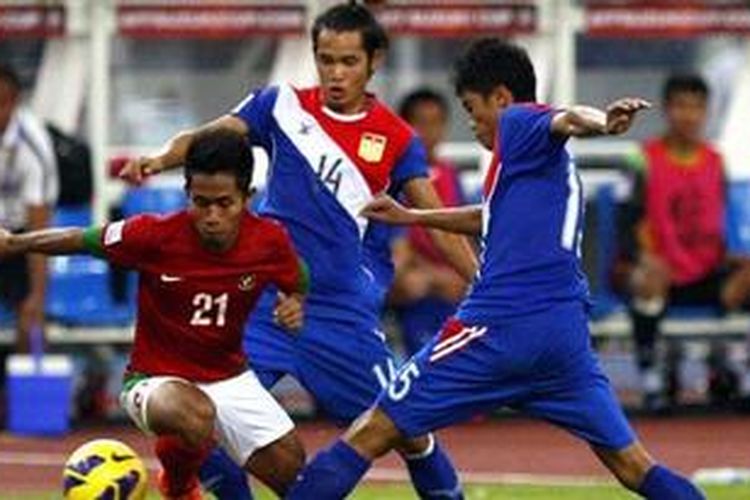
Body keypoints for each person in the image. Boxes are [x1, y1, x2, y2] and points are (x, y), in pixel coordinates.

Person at [284, 38, 706, 500]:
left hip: (501, 326)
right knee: (632, 465)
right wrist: (413, 217)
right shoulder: (541, 168)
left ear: (501, 99)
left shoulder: (520, 123)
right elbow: (490, 217)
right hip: (563, 338)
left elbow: (566, 118)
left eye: (471, 107)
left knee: (375, 428)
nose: (471, 121)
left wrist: (604, 123)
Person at [119, 3, 477, 499]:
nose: (335, 73)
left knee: (408, 431)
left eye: (348, 61)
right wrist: (159, 158)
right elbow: (212, 135)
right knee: (200, 416)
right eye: (325, 59)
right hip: (266, 305)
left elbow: (437, 222)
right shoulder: (280, 106)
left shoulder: (396, 138)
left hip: (342, 315)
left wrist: (483, 288)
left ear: (375, 61)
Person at [0, 130, 310, 499]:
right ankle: (178, 487)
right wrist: (15, 243)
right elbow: (81, 238)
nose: (211, 216)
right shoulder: (155, 235)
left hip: (230, 378)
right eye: (200, 202)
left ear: (247, 197)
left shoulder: (269, 241)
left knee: (295, 478)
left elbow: (296, 275)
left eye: (224, 204)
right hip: (154, 380)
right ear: (187, 194)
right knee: (195, 414)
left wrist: (294, 300)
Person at [617, 74, 750, 410]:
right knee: (648, 277)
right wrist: (643, 257)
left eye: (696, 107)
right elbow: (625, 223)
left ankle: (736, 367)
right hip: (658, 272)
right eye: (681, 106)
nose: (688, 115)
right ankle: (650, 377)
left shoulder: (716, 161)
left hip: (706, 271)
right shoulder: (641, 159)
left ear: (706, 112)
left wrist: (734, 257)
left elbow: (724, 222)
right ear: (667, 110)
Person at [0, 63, 58, 423]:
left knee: (29, 319)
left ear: (15, 101)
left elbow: (40, 228)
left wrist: (36, 297)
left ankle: (24, 413)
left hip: (22, 239)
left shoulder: (32, 145)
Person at [391, 88, 468, 356]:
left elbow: (464, 233)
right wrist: (435, 276)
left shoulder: (450, 174)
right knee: (412, 287)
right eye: (420, 123)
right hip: (413, 281)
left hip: (448, 281)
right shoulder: (393, 178)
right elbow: (395, 239)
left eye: (435, 123)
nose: (428, 132)